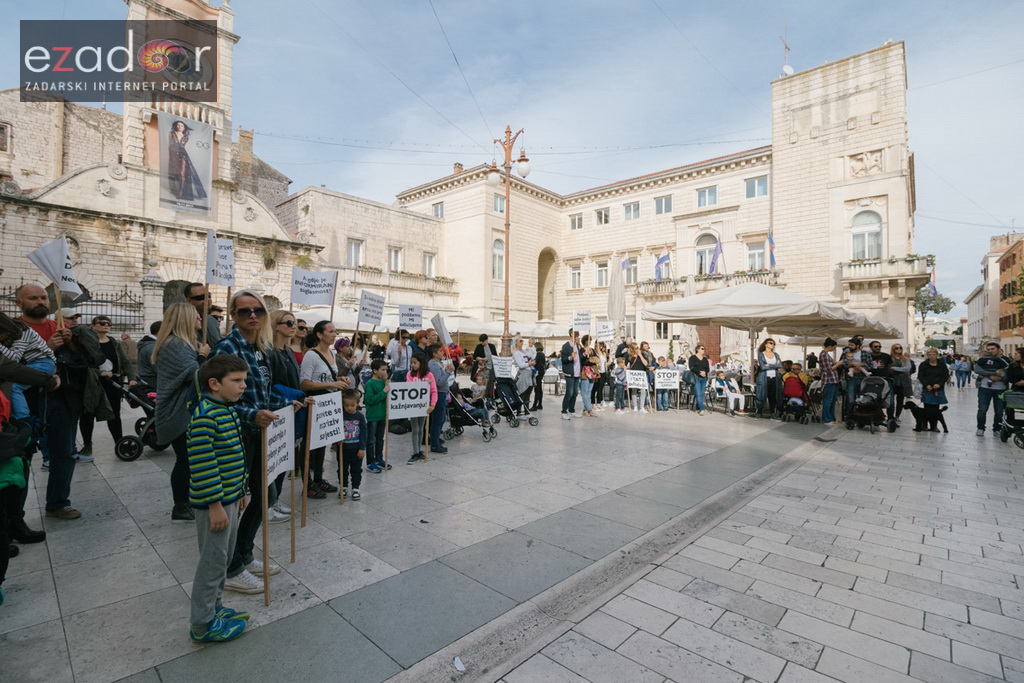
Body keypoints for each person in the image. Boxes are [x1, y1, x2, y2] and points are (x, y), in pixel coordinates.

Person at [212, 290, 298, 595]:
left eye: (258, 311)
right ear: (233, 316)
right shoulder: (228, 347)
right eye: (244, 311)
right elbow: (217, 399)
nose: (252, 316)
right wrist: (254, 416)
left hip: (261, 433)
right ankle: (232, 567)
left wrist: (288, 403)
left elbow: (263, 391)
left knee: (264, 497)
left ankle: (245, 553)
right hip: (238, 435)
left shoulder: (259, 347)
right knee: (238, 500)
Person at [185, 354, 251, 643]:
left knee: (221, 560)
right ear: (214, 384)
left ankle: (215, 608)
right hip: (215, 505)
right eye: (236, 381)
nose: (243, 386)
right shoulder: (205, 418)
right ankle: (202, 624)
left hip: (229, 499)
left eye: (244, 380)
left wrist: (240, 491)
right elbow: (203, 466)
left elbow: (235, 457)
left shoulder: (227, 411)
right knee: (211, 565)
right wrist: (215, 506)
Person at [153, 303, 211, 522]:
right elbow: (196, 374)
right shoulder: (175, 344)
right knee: (186, 460)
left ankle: (189, 500)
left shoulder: (183, 343)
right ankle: (181, 505)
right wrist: (203, 355)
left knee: (190, 459)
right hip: (177, 411)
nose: (200, 320)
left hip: (183, 410)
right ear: (184, 319)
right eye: (196, 316)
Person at [300, 321, 350, 498]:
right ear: (320, 335)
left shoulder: (330, 352)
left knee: (322, 441)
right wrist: (332, 383)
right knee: (309, 444)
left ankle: (319, 478)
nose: (334, 334)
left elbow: (330, 375)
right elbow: (304, 383)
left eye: (335, 331)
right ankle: (307, 483)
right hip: (315, 402)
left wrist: (340, 379)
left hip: (329, 402)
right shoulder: (311, 356)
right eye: (331, 331)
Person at [78, 315, 137, 460]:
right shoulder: (87, 344)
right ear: (93, 326)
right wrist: (100, 373)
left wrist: (132, 378)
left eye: (108, 323)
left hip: (113, 384)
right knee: (88, 414)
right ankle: (87, 445)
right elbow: (83, 364)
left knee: (114, 415)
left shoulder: (114, 343)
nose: (106, 325)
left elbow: (125, 362)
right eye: (102, 323)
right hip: (92, 384)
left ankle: (119, 443)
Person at [267, 309, 303, 521]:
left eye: (294, 322)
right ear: (275, 326)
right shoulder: (269, 352)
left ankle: (275, 499)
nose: (293, 326)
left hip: (292, 410)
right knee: (274, 460)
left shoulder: (288, 351)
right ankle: (268, 504)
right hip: (276, 410)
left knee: (284, 460)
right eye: (288, 323)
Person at [0, 311, 55, 420]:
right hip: (34, 363)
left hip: (43, 362)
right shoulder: (13, 333)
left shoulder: (23, 332)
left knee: (15, 387)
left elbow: (14, 358)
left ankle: (23, 418)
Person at [406, 352, 437, 463]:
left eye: (415, 362)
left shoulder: (429, 375)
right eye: (411, 363)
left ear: (421, 363)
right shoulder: (410, 374)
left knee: (421, 428)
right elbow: (410, 388)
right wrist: (424, 385)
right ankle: (415, 452)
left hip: (424, 406)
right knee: (415, 429)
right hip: (413, 406)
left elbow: (434, 391)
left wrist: (432, 404)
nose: (412, 365)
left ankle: (419, 451)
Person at [168, 119, 208, 202]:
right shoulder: (171, 134)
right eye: (178, 125)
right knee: (175, 173)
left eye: (182, 125)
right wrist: (171, 156)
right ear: (175, 126)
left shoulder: (186, 136)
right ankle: (175, 190)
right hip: (173, 155)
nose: (180, 127)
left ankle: (181, 193)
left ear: (184, 127)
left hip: (183, 155)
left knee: (183, 173)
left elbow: (185, 148)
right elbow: (169, 145)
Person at [975, 342, 1009, 437]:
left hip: (1000, 389)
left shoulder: (1004, 361)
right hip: (984, 387)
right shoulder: (983, 360)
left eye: (992, 349)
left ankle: (997, 429)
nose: (990, 351)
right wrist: (993, 373)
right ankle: (980, 428)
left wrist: (1000, 377)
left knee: (999, 411)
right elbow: (977, 369)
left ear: (998, 349)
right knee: (982, 409)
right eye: (988, 349)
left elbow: (1008, 374)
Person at [364, 359, 391, 473]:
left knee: (380, 438)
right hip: (373, 416)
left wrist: (386, 385)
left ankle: (379, 458)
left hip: (382, 415)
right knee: (371, 440)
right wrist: (383, 392)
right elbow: (369, 400)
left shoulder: (384, 382)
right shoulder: (370, 383)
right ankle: (371, 462)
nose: (385, 372)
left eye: (386, 369)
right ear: (375, 371)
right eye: (383, 370)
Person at [339, 389, 366, 500]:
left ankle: (355, 488)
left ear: (357, 404)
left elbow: (364, 433)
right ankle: (343, 486)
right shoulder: (340, 415)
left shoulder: (360, 416)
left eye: (352, 405)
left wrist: (362, 448)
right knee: (342, 469)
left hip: (356, 449)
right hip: (343, 449)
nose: (349, 408)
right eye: (346, 405)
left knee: (356, 469)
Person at [918, 347, 950, 432]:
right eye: (930, 355)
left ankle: (934, 426)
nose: (932, 356)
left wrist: (939, 384)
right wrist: (926, 385)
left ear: (937, 355)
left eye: (934, 354)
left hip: (938, 388)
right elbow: (921, 376)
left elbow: (945, 375)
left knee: (936, 408)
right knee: (926, 407)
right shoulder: (924, 364)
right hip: (927, 389)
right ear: (927, 355)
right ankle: (924, 425)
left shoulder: (941, 364)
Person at [427, 344, 451, 453]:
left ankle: (435, 441)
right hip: (438, 393)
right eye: (440, 351)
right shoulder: (433, 365)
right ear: (434, 354)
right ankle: (435, 444)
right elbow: (439, 382)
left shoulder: (437, 364)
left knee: (441, 419)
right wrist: (448, 372)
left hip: (442, 393)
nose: (443, 352)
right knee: (438, 419)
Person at [183, 283, 222, 348]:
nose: (208, 300)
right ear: (189, 301)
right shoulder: (183, 322)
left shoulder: (212, 321)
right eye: (201, 297)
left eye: (209, 296)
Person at [864, 340, 895, 420]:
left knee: (890, 401)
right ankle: (876, 417)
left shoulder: (886, 356)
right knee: (873, 399)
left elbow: (889, 366)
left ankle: (891, 418)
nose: (878, 348)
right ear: (871, 348)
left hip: (886, 380)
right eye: (876, 346)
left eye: (879, 346)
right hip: (873, 381)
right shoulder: (868, 356)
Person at [754, 338, 783, 419]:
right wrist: (774, 365)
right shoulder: (761, 354)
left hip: (774, 378)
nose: (772, 345)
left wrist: (768, 365)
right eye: (770, 343)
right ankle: (759, 412)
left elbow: (780, 365)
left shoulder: (776, 354)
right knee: (761, 395)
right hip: (764, 377)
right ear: (765, 344)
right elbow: (762, 367)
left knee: (773, 396)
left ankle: (773, 413)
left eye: (774, 343)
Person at [560, 329, 582, 419]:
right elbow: (563, 359)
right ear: (571, 334)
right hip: (569, 372)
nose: (577, 335)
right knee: (569, 392)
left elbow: (580, 357)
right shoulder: (566, 346)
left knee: (575, 393)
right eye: (576, 333)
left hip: (576, 372)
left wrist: (584, 354)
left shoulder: (577, 345)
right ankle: (564, 411)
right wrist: (570, 357)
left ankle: (571, 410)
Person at [818, 338, 840, 425]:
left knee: (832, 400)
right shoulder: (824, 355)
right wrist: (838, 364)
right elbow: (828, 369)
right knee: (828, 400)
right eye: (834, 347)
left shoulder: (825, 354)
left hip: (833, 380)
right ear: (830, 346)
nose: (834, 349)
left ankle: (831, 418)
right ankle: (827, 419)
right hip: (829, 380)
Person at [889, 343, 913, 421]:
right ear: (893, 349)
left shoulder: (905, 358)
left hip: (903, 382)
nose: (899, 349)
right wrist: (901, 369)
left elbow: (907, 369)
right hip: (892, 381)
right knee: (890, 400)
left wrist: (895, 368)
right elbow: (888, 369)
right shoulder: (889, 358)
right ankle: (890, 416)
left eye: (900, 347)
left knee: (900, 400)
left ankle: (897, 416)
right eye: (896, 348)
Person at [512, 336, 536, 411]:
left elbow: (526, 361)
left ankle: (526, 411)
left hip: (530, 373)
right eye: (520, 341)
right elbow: (521, 365)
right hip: (523, 374)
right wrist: (530, 364)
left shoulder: (524, 351)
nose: (522, 342)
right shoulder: (516, 353)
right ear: (516, 342)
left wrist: (531, 362)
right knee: (522, 393)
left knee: (528, 394)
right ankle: (519, 412)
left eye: (522, 341)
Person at [136, 321, 161, 388]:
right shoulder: (152, 347)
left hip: (148, 379)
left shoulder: (148, 344)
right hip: (152, 380)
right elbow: (157, 366)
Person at [689, 344, 710, 415]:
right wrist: (699, 372)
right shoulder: (692, 358)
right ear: (698, 349)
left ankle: (697, 408)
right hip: (696, 377)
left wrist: (705, 372)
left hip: (704, 378)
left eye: (704, 349)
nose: (704, 350)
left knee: (701, 394)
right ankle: (702, 409)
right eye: (702, 349)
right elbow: (691, 367)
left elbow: (708, 368)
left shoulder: (705, 359)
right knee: (698, 393)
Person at [530, 342, 547, 411]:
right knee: (539, 388)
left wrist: (530, 361)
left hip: (537, 373)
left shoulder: (538, 354)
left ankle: (534, 405)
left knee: (537, 389)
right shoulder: (542, 354)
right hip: (541, 372)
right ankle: (539, 404)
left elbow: (534, 362)